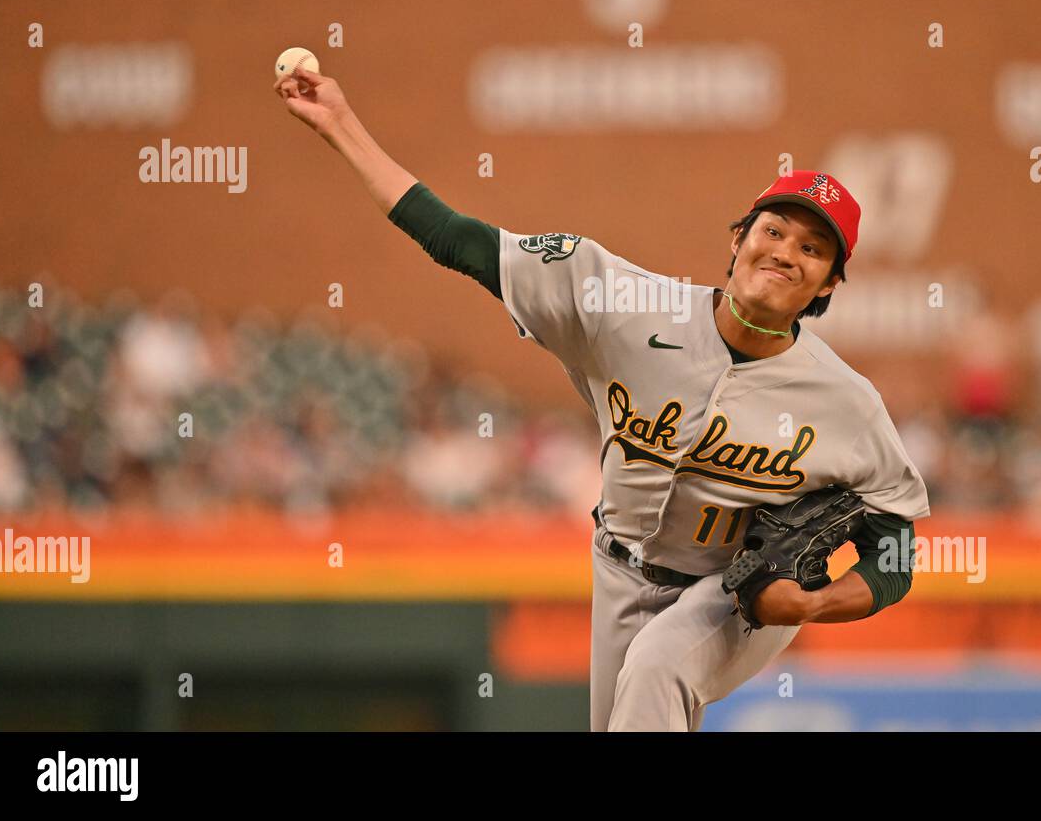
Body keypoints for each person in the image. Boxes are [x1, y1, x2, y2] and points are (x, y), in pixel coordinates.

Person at [274, 67, 930, 731]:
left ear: (828, 286)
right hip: (617, 567)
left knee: (658, 664)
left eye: (813, 248)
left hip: (738, 594)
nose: (787, 251)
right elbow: (460, 241)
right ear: (737, 240)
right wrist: (339, 124)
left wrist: (813, 606)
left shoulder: (847, 402)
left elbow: (897, 548)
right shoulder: (622, 305)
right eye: (774, 231)